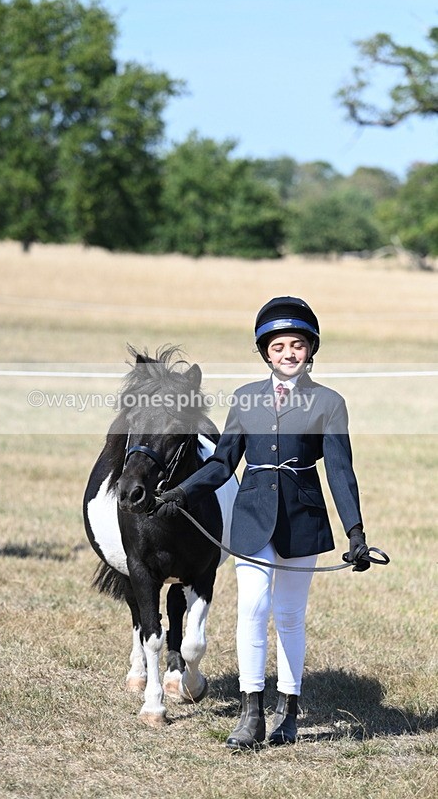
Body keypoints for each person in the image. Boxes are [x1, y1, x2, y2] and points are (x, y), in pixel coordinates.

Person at [155, 296, 370, 750]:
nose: (288, 353)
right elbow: (223, 463)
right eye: (278, 347)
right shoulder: (244, 398)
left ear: (311, 350)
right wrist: (182, 491)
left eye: (296, 345)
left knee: (289, 616)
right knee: (251, 609)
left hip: (301, 520)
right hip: (252, 517)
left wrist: (356, 534)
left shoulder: (329, 403)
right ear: (264, 352)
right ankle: (250, 712)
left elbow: (340, 471)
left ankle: (288, 709)